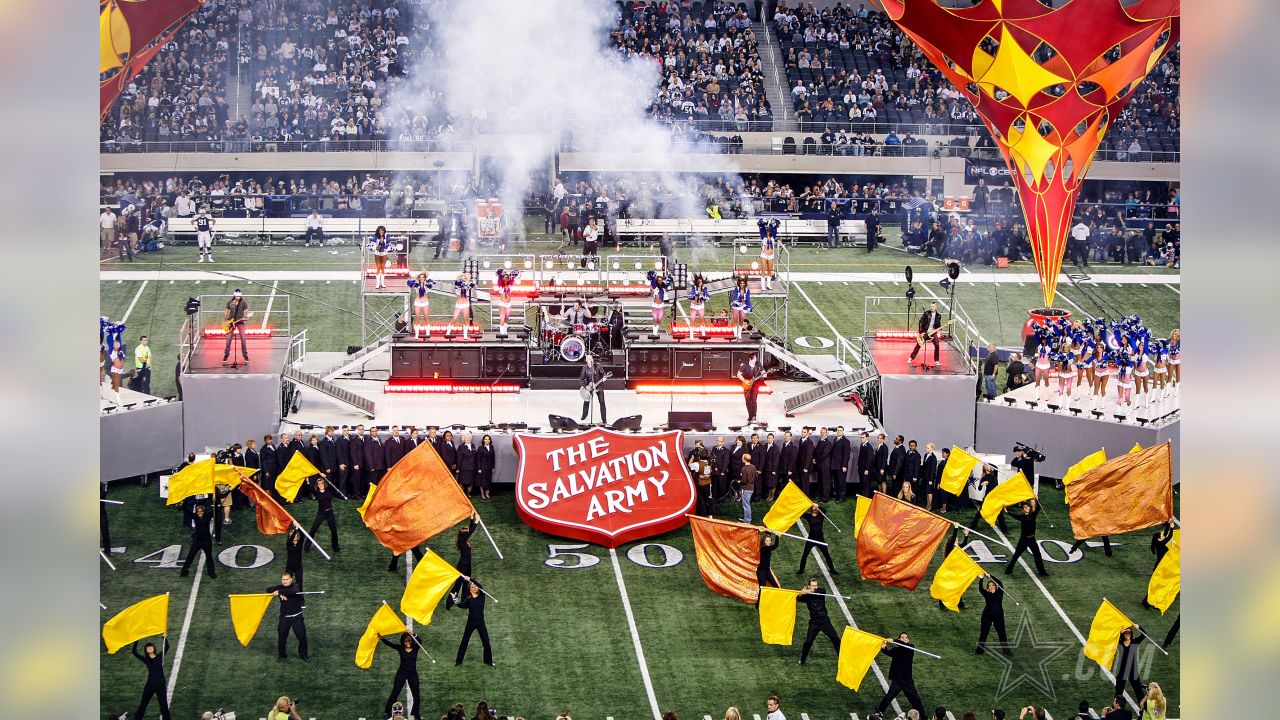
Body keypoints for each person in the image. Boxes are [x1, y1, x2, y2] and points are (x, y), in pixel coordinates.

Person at [875, 633, 927, 716]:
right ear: (899, 639)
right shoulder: (897, 650)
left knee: (915, 700)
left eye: (905, 637)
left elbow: (903, 644)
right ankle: (879, 712)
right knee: (888, 697)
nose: (904, 639)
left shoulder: (911, 647)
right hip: (897, 680)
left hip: (907, 681)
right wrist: (884, 647)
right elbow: (888, 653)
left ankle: (923, 717)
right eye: (902, 637)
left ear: (908, 640)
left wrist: (894, 640)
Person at [797, 578, 840, 664]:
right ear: (809, 586)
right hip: (814, 623)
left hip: (825, 621)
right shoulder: (806, 596)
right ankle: (802, 660)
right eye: (812, 585)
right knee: (808, 642)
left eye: (816, 585)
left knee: (836, 639)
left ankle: (841, 658)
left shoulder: (821, 592)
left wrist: (810, 591)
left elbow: (823, 589)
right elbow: (798, 599)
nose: (815, 587)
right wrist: (801, 593)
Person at [268, 570, 309, 661]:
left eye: (287, 579)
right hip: (284, 618)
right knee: (282, 637)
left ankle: (304, 655)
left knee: (302, 637)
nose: (285, 581)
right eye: (283, 579)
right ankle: (282, 656)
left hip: (297, 618)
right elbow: (268, 589)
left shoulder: (295, 586)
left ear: (291, 579)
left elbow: (292, 591)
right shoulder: (280, 587)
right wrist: (280, 592)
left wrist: (279, 592)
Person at [381, 632, 422, 720]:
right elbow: (390, 644)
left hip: (412, 674)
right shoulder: (400, 648)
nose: (407, 644)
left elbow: (420, 641)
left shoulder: (416, 648)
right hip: (402, 673)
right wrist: (382, 639)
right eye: (406, 642)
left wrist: (414, 634)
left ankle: (416, 713)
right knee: (395, 693)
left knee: (417, 695)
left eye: (409, 642)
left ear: (412, 641)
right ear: (403, 641)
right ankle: (387, 712)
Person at [455, 579, 495, 666]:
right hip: (470, 623)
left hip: (481, 623)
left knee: (486, 643)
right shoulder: (468, 599)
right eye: (473, 587)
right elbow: (460, 605)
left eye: (476, 586)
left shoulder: (482, 596)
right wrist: (455, 599)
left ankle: (488, 661)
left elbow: (479, 585)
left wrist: (469, 579)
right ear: (470, 589)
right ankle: (458, 662)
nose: (475, 587)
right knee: (464, 642)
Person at [1004, 498, 1048, 576]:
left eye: (1028, 507)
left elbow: (1038, 508)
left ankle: (1042, 571)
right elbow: (1014, 515)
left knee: (1037, 555)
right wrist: (1007, 512)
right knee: (1016, 555)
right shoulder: (1022, 517)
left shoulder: (1033, 515)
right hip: (1023, 539)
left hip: (1032, 539)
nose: (1027, 508)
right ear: (1022, 510)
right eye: (1025, 508)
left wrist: (1037, 500)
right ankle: (1009, 569)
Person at [131, 637, 171, 720]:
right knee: (143, 704)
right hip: (150, 685)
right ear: (146, 650)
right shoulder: (146, 660)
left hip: (160, 684)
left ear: (154, 648)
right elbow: (134, 652)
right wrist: (136, 640)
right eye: (147, 647)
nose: (149, 648)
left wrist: (164, 637)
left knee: (164, 706)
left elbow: (167, 647)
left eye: (150, 646)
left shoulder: (160, 656)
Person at [976, 576, 1011, 655]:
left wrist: (990, 576)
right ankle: (979, 650)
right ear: (988, 587)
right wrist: (981, 579)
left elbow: (1000, 582)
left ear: (996, 586)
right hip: (987, 615)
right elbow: (980, 588)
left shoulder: (999, 592)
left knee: (1002, 633)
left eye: (993, 585)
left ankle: (1006, 651)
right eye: (989, 586)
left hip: (998, 616)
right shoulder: (986, 593)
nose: (991, 587)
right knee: (984, 633)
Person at [179, 504, 217, 578]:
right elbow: (187, 511)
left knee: (209, 557)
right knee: (190, 556)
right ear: (196, 513)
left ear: (204, 512)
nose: (200, 513)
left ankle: (212, 573)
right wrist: (183, 504)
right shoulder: (195, 517)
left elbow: (215, 510)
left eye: (201, 511)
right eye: (198, 512)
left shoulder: (208, 516)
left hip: (207, 541)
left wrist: (216, 503)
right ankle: (184, 572)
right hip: (197, 541)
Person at [797, 505, 836, 574]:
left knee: (827, 555)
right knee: (805, 555)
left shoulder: (821, 515)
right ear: (811, 508)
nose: (815, 508)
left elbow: (824, 510)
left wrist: (818, 506)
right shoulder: (808, 516)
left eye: (816, 507)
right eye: (813, 507)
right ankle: (801, 570)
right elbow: (800, 513)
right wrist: (807, 504)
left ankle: (832, 569)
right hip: (811, 539)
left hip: (820, 539)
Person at [305, 477, 340, 553]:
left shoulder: (329, 491)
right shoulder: (316, 492)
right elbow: (309, 488)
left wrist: (324, 476)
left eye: (321, 483)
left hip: (330, 512)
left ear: (324, 484)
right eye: (319, 484)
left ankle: (336, 547)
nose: (320, 485)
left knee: (333, 530)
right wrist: (307, 481)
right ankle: (306, 547)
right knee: (313, 529)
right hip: (321, 513)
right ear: (317, 485)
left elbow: (331, 483)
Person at [1112, 625, 1145, 700]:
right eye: (1125, 633)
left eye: (1129, 632)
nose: (1127, 634)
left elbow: (1144, 635)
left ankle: (1143, 706)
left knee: (1138, 690)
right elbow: (1113, 639)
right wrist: (1120, 633)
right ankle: (1115, 707)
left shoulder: (1134, 642)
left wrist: (1139, 627)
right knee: (1118, 691)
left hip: (1132, 670)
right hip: (1121, 670)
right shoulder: (1119, 642)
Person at [909, 301, 944, 369]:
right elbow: (921, 322)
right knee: (919, 344)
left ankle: (936, 360)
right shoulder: (926, 313)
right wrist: (921, 332)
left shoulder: (938, 316)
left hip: (933, 333)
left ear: (936, 307)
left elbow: (937, 325)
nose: (932, 308)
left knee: (937, 345)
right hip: (925, 332)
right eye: (931, 306)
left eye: (933, 306)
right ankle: (911, 357)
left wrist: (939, 328)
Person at [223, 289, 251, 364]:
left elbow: (247, 311)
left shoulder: (243, 303)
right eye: (237, 296)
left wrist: (247, 317)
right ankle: (226, 355)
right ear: (234, 295)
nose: (238, 297)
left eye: (239, 296)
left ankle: (245, 355)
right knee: (228, 339)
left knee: (243, 338)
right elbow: (226, 311)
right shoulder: (230, 302)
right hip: (231, 323)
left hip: (240, 322)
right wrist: (226, 320)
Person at [579, 354, 608, 423]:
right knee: (586, 401)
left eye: (591, 358)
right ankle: (584, 415)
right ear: (586, 360)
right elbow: (581, 379)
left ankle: (604, 419)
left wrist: (604, 378)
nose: (590, 360)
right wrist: (586, 386)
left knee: (602, 402)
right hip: (589, 387)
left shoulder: (598, 366)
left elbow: (604, 374)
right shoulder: (585, 368)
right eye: (588, 359)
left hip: (598, 386)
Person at [736, 352, 763, 423]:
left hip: (755, 384)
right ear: (750, 359)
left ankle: (754, 416)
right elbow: (738, 374)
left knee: (753, 400)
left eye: (756, 359)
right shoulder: (745, 365)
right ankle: (750, 415)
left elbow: (763, 371)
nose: (755, 361)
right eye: (754, 359)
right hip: (747, 384)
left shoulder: (758, 364)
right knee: (748, 401)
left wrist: (764, 374)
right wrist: (745, 381)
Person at [494, 268, 519, 336]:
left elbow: (514, 276)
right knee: (502, 317)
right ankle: (501, 333)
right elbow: (499, 275)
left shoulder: (510, 284)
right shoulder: (500, 284)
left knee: (507, 318)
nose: (506, 278)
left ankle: (505, 331)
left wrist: (514, 274)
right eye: (505, 277)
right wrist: (500, 273)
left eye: (507, 277)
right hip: (502, 303)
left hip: (509, 303)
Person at [832, 427, 852, 502]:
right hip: (835, 465)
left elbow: (846, 455)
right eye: (838, 430)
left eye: (840, 430)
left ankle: (841, 497)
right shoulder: (835, 439)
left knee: (841, 482)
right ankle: (837, 495)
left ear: (843, 431)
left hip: (841, 466)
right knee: (836, 481)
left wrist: (844, 465)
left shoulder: (846, 441)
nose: (839, 432)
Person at [739, 453, 759, 523]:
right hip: (751, 488)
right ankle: (746, 519)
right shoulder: (753, 467)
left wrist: (739, 481)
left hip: (746, 488)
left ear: (744, 460)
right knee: (747, 504)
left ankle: (747, 520)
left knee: (746, 505)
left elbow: (744, 481)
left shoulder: (744, 469)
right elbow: (756, 477)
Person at [457, 431, 478, 496]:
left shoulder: (473, 445)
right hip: (464, 468)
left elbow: (475, 457)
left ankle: (468, 494)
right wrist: (458, 468)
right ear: (464, 439)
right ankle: (462, 495)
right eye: (467, 438)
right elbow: (459, 458)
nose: (468, 439)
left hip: (472, 468)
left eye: (469, 437)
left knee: (471, 482)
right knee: (462, 482)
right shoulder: (461, 447)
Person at [476, 434, 495, 501]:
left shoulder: (491, 447)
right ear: (483, 440)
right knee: (482, 481)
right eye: (486, 439)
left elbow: (493, 458)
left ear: (490, 440)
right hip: (482, 467)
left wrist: (493, 467)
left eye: (488, 439)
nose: (487, 440)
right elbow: (478, 459)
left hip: (489, 467)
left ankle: (487, 493)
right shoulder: (480, 448)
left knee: (488, 481)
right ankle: (482, 494)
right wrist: (479, 468)